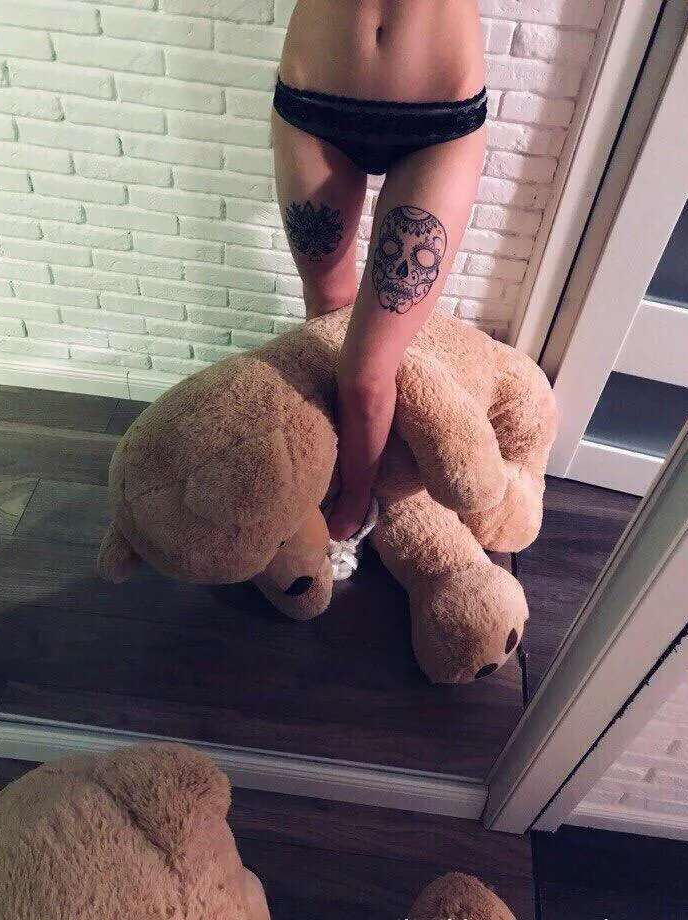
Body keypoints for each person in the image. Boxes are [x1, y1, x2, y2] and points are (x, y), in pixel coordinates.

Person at [271, 0, 487, 578]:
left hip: (439, 122)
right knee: (326, 315)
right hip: (314, 101)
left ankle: (354, 504)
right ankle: (322, 474)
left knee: (366, 374)